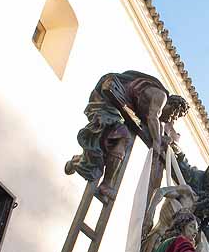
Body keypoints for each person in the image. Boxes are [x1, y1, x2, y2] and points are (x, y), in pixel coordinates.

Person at [65, 70, 189, 202]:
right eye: (173, 114)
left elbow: (155, 126)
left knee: (114, 144)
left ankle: (88, 170)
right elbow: (154, 117)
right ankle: (105, 183)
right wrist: (157, 144)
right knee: (118, 137)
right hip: (107, 97)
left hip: (118, 106)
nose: (170, 119)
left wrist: (162, 139)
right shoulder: (161, 96)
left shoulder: (149, 109)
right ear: (170, 104)